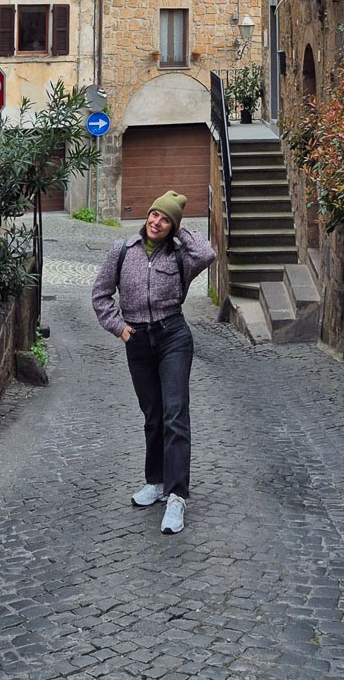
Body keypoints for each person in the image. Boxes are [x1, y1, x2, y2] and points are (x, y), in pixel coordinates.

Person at [91, 189, 216, 535]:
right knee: (153, 415)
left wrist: (181, 230)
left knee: (175, 414)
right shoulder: (122, 251)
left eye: (165, 219)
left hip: (173, 336)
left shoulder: (181, 256)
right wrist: (119, 328)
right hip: (137, 339)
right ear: (147, 215)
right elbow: (100, 294)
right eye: (155, 214)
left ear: (173, 226)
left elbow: (207, 253)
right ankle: (157, 482)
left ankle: (176, 496)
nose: (157, 222)